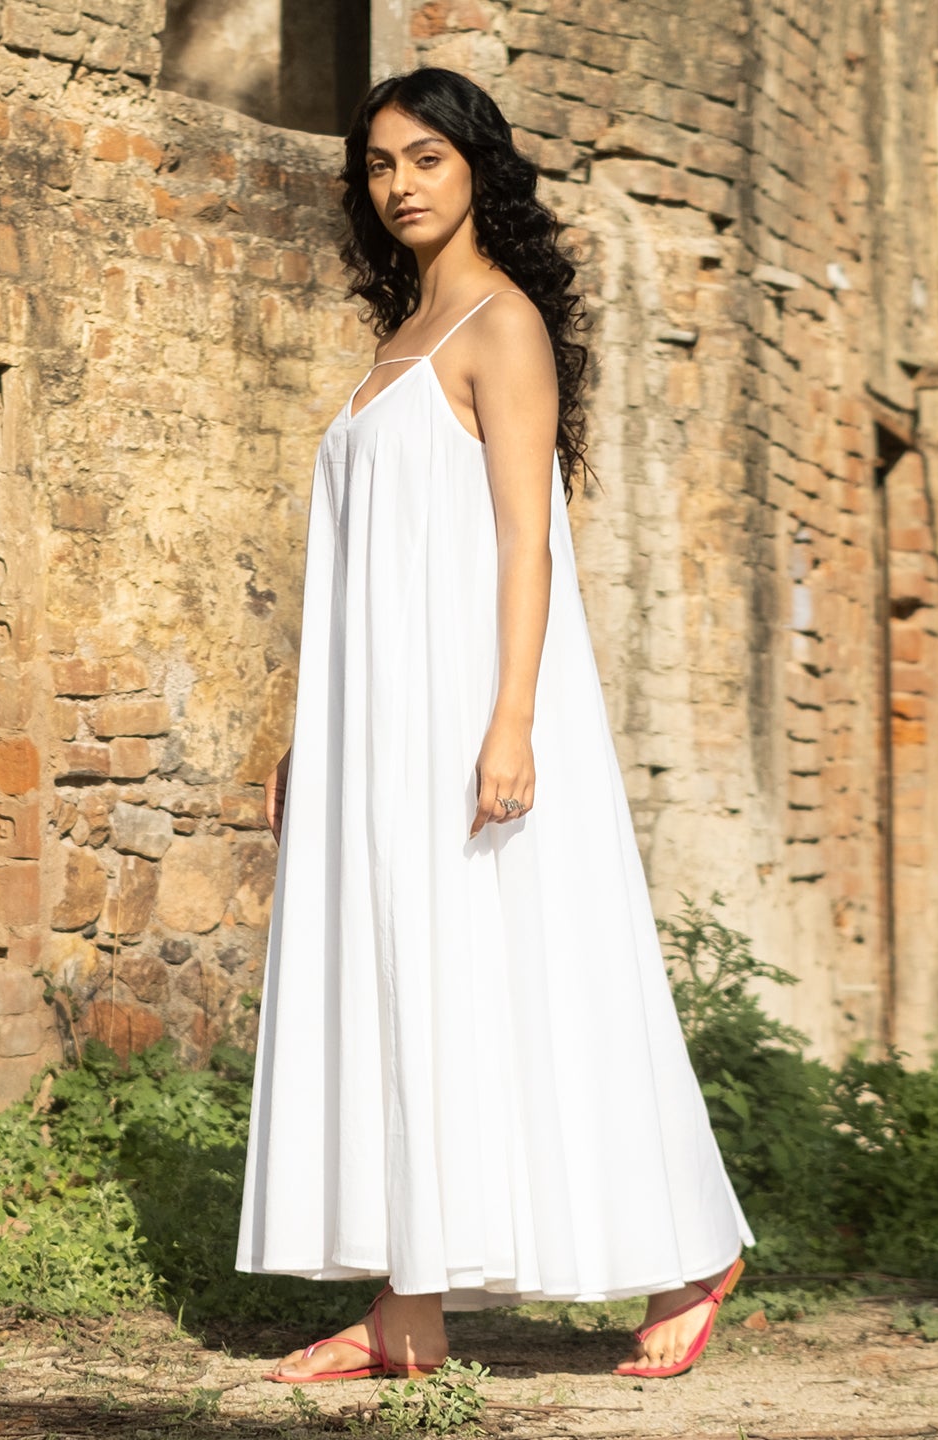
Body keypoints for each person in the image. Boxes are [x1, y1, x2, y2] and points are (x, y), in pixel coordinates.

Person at [235, 66, 754, 1383]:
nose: (400, 185)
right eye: (380, 166)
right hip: (381, 724)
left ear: (479, 169)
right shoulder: (403, 334)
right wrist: (318, 731)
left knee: (536, 972)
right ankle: (408, 1305)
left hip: (474, 706)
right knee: (407, 981)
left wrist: (513, 720)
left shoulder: (499, 326)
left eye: (426, 159)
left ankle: (686, 1258)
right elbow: (365, 563)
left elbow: (530, 538)